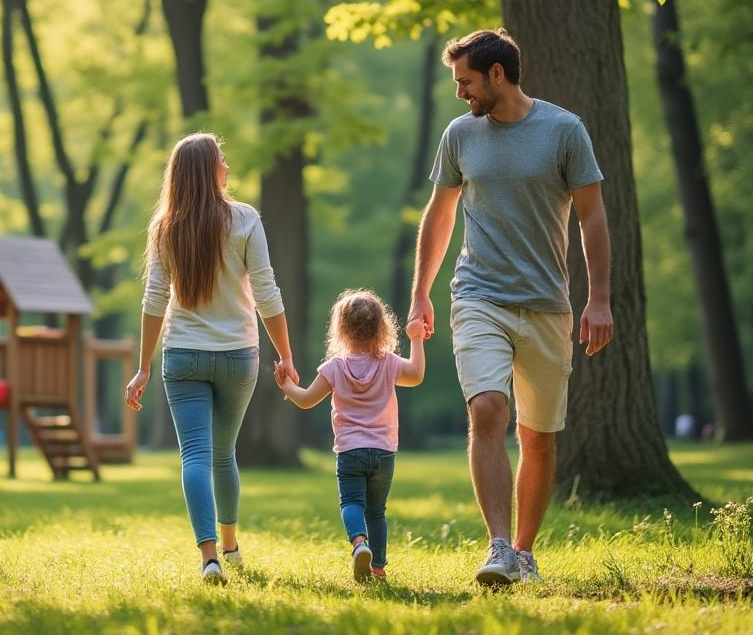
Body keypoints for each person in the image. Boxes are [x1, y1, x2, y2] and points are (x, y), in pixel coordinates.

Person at [407, 29, 613, 586]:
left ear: (497, 75)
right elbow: (440, 214)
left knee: (538, 436)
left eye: (466, 81)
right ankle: (497, 547)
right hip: (478, 296)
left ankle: (523, 552)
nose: (460, 94)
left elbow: (593, 216)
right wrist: (420, 291)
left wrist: (599, 299)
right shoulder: (459, 136)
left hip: (548, 304)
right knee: (487, 410)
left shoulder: (564, 130)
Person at [125, 132, 299, 585]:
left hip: (182, 356)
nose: (227, 165)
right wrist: (286, 355)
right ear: (208, 170)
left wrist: (143, 366)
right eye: (222, 159)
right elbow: (267, 292)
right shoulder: (244, 220)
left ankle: (209, 558)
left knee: (196, 456)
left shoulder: (165, 226)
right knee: (224, 453)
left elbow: (154, 300)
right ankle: (231, 545)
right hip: (239, 356)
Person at [276, 289, 425, 582]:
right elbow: (417, 374)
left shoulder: (336, 367)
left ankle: (359, 544)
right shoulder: (389, 362)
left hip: (349, 451)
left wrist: (286, 387)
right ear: (382, 328)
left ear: (341, 329)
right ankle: (378, 568)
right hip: (383, 451)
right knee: (377, 511)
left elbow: (306, 399)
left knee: (351, 503)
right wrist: (417, 338)